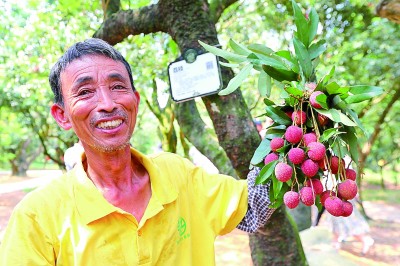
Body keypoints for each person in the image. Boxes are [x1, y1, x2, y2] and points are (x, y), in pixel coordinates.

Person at [0, 38, 274, 265]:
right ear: (62, 116)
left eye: (118, 86)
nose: (107, 103)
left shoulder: (178, 174)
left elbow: (253, 207)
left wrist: (295, 130)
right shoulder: (37, 216)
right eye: (85, 92)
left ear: (135, 101)